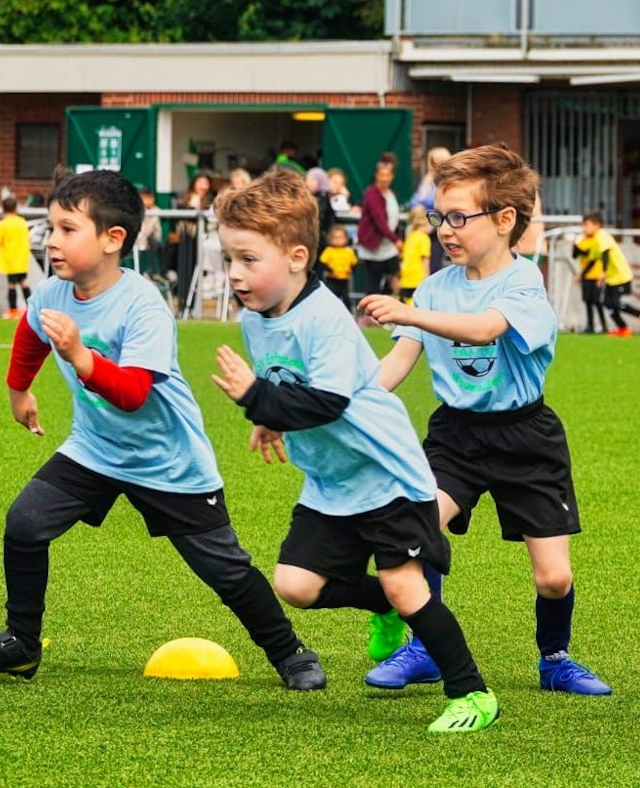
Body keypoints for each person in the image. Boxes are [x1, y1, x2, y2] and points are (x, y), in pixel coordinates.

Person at [0, 171, 324, 689]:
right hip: (96, 450)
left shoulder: (143, 304)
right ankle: (21, 644)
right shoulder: (54, 292)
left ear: (112, 239)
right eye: (50, 228)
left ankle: (290, 652)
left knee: (226, 571)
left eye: (67, 228)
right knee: (26, 523)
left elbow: (133, 394)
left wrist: (81, 356)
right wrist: (20, 391)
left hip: (168, 461)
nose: (52, 240)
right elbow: (32, 331)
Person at [209, 168, 499, 733]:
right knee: (295, 585)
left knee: (404, 582)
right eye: (229, 260)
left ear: (296, 257)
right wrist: (269, 416)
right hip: (332, 482)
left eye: (248, 259)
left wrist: (256, 398)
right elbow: (286, 383)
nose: (235, 274)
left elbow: (326, 403)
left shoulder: (325, 321)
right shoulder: (254, 318)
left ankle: (473, 693)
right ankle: (384, 607)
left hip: (386, 476)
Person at [357, 145, 611, 698]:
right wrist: (347, 404)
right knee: (419, 528)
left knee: (554, 577)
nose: (445, 230)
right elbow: (398, 362)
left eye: (458, 218)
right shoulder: (434, 287)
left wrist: (406, 311)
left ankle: (555, 658)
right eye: (438, 217)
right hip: (456, 435)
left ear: (504, 221)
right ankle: (425, 647)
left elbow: (484, 329)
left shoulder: (525, 284)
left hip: (526, 436)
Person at [575, 210, 640, 335]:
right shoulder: (595, 240)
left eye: (586, 225)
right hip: (611, 278)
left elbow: (605, 253)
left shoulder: (602, 235)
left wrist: (602, 272)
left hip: (621, 276)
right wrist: (581, 275)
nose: (584, 228)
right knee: (606, 303)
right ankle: (623, 328)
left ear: (596, 225)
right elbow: (592, 261)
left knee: (613, 303)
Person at [356, 157, 403, 297]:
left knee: (395, 276)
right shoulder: (372, 194)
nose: (385, 178)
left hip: (388, 246)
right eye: (382, 175)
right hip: (374, 245)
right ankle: (370, 314)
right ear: (376, 175)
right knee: (373, 282)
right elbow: (379, 220)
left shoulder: (391, 194)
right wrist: (395, 239)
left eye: (388, 175)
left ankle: (394, 304)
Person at [172, 174, 215, 309]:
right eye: (200, 183)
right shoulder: (184, 200)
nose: (203, 186)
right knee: (183, 270)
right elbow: (181, 214)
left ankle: (194, 305)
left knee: (197, 272)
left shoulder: (210, 201)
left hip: (201, 241)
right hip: (185, 240)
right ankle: (183, 304)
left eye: (205, 183)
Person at [572, 212, 615, 334]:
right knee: (587, 301)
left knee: (597, 302)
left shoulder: (598, 239)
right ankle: (590, 326)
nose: (584, 228)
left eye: (587, 225)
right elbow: (575, 255)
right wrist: (575, 246)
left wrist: (581, 274)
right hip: (586, 277)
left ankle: (604, 326)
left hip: (596, 276)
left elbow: (592, 258)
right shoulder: (583, 240)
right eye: (583, 225)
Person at [0, 196, 33, 319]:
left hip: (10, 259)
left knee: (11, 285)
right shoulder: (22, 222)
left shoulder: (3, 224)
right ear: (16, 208)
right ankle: (32, 308)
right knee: (23, 283)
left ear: (3, 208)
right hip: (22, 258)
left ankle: (13, 310)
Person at [397, 205, 432, 304]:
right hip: (418, 278)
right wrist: (427, 279)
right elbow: (425, 260)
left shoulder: (410, 236)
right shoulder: (424, 238)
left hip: (405, 278)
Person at [319, 224, 357, 304]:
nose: (338, 240)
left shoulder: (349, 251)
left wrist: (351, 271)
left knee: (346, 297)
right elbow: (323, 262)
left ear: (346, 238)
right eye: (335, 238)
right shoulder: (329, 251)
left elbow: (354, 263)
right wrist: (330, 271)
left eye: (341, 238)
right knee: (332, 296)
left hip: (344, 278)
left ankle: (348, 312)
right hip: (332, 278)